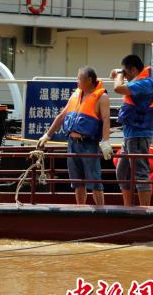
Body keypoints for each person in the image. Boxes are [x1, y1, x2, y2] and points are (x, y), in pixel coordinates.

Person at [37, 66, 112, 205]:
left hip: (89, 144)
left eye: (79, 78)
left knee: (95, 182)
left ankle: (101, 212)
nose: (77, 81)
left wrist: (105, 141)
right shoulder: (76, 94)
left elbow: (106, 120)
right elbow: (61, 116)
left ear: (89, 80)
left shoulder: (102, 97)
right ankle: (80, 209)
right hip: (72, 143)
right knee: (77, 182)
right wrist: (47, 135)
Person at [110, 55, 153, 206]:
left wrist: (119, 74)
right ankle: (128, 207)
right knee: (122, 172)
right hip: (130, 136)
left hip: (139, 135)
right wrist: (120, 73)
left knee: (140, 173)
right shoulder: (138, 83)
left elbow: (118, 88)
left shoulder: (144, 84)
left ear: (133, 69)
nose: (124, 75)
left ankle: (146, 212)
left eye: (126, 72)